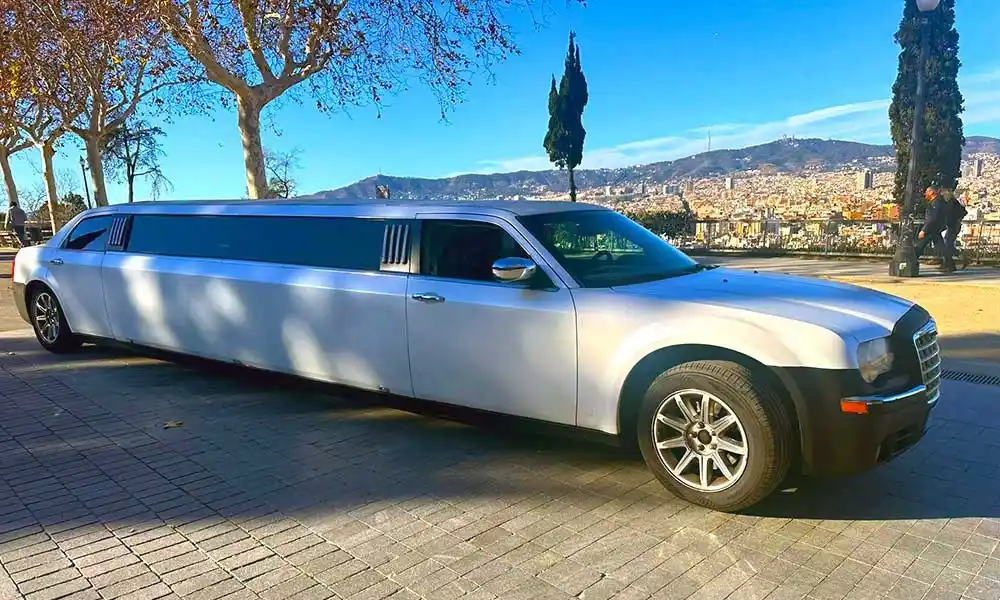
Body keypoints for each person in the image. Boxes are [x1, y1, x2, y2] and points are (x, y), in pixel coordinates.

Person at [914, 185, 947, 270]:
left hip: (932, 228)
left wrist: (924, 230)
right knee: (940, 245)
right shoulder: (937, 201)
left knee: (920, 244)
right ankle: (948, 263)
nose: (925, 194)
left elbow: (932, 218)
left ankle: (912, 260)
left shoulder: (936, 202)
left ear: (932, 192)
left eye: (927, 192)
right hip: (935, 228)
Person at [943, 190, 967, 271]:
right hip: (952, 225)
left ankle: (952, 262)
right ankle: (950, 263)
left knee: (948, 244)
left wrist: (957, 220)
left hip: (953, 225)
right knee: (948, 243)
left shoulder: (952, 203)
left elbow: (963, 212)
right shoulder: (952, 203)